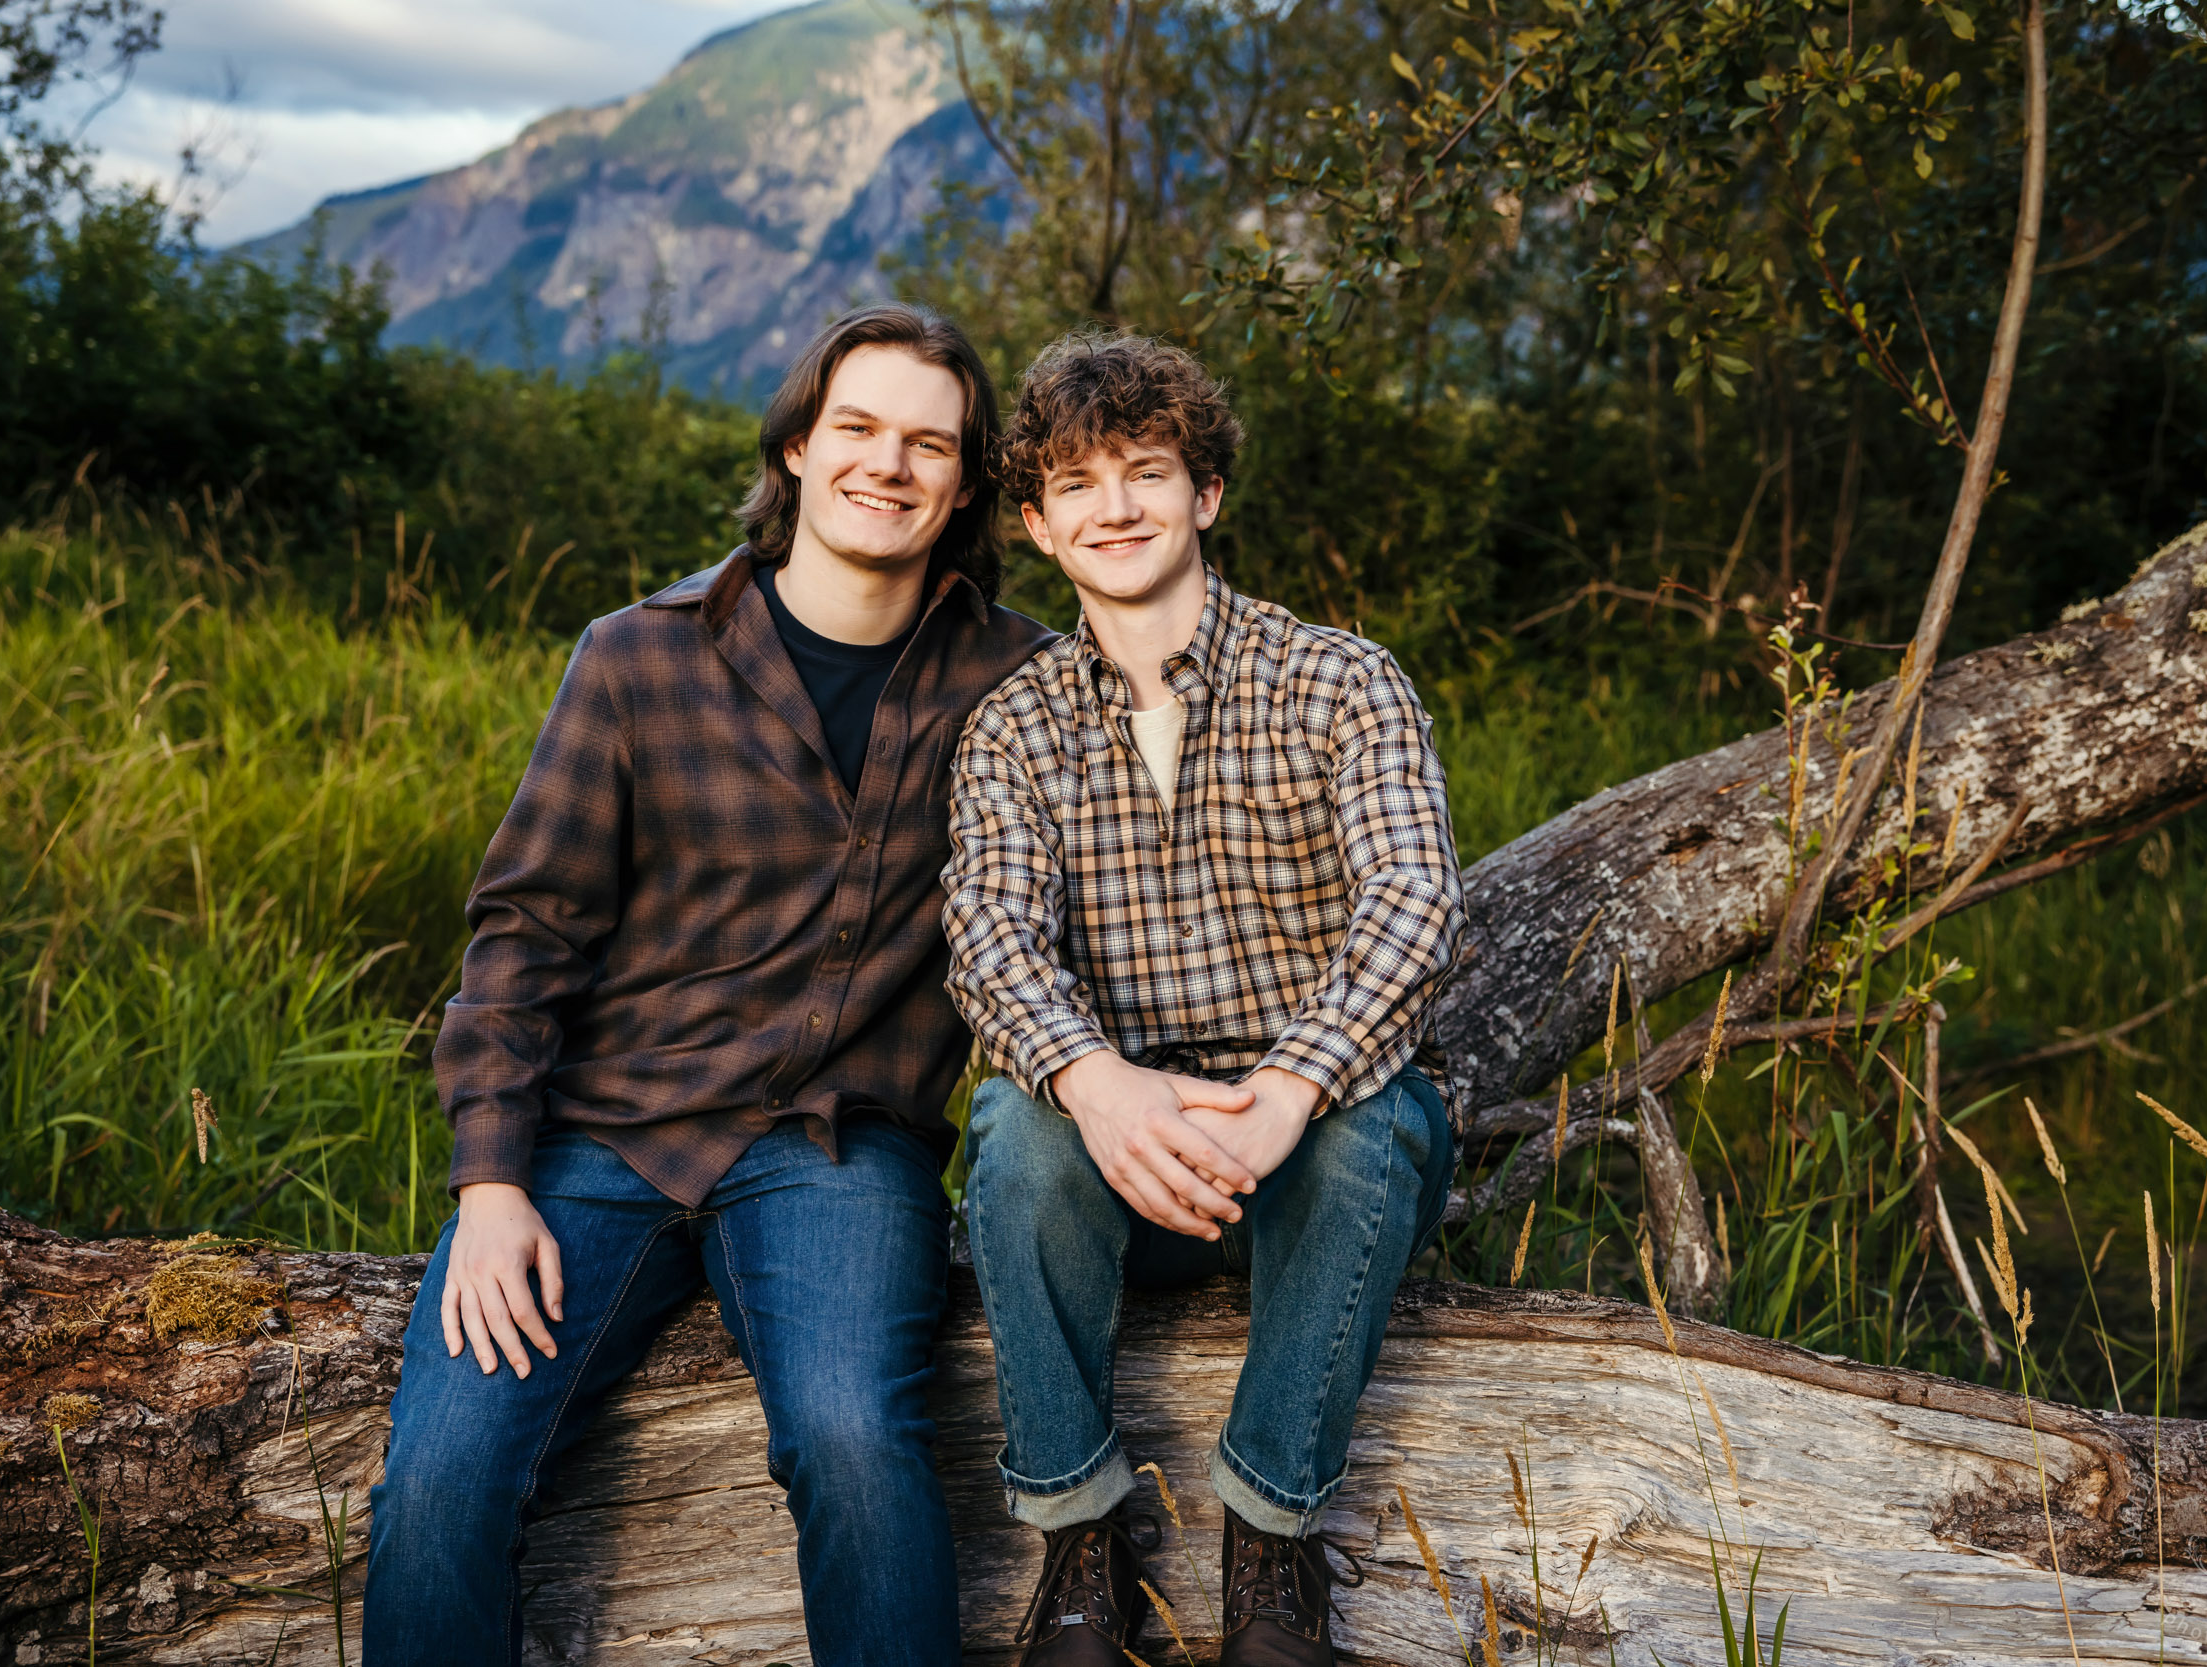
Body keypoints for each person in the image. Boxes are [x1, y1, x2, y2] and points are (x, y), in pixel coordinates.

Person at [363, 304, 1053, 1666]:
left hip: (838, 1149)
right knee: (441, 1476)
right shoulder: (638, 656)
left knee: (858, 1441)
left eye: (930, 443)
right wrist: (492, 1188)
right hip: (598, 1137)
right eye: (858, 427)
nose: (889, 464)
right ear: (798, 442)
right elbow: (524, 932)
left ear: (967, 484)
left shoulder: (1024, 681)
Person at [942, 331, 1464, 1666]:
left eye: (1147, 470)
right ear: (1042, 528)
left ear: (1207, 494)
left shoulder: (1343, 680)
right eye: (1077, 484)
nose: (1115, 506)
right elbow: (989, 936)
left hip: (1308, 1144)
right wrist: (1101, 1086)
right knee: (1012, 1135)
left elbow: (1412, 904)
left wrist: (1288, 1090)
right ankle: (1078, 1537)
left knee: (1376, 1125)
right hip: (1128, 1150)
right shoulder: (1014, 725)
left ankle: (1272, 1540)